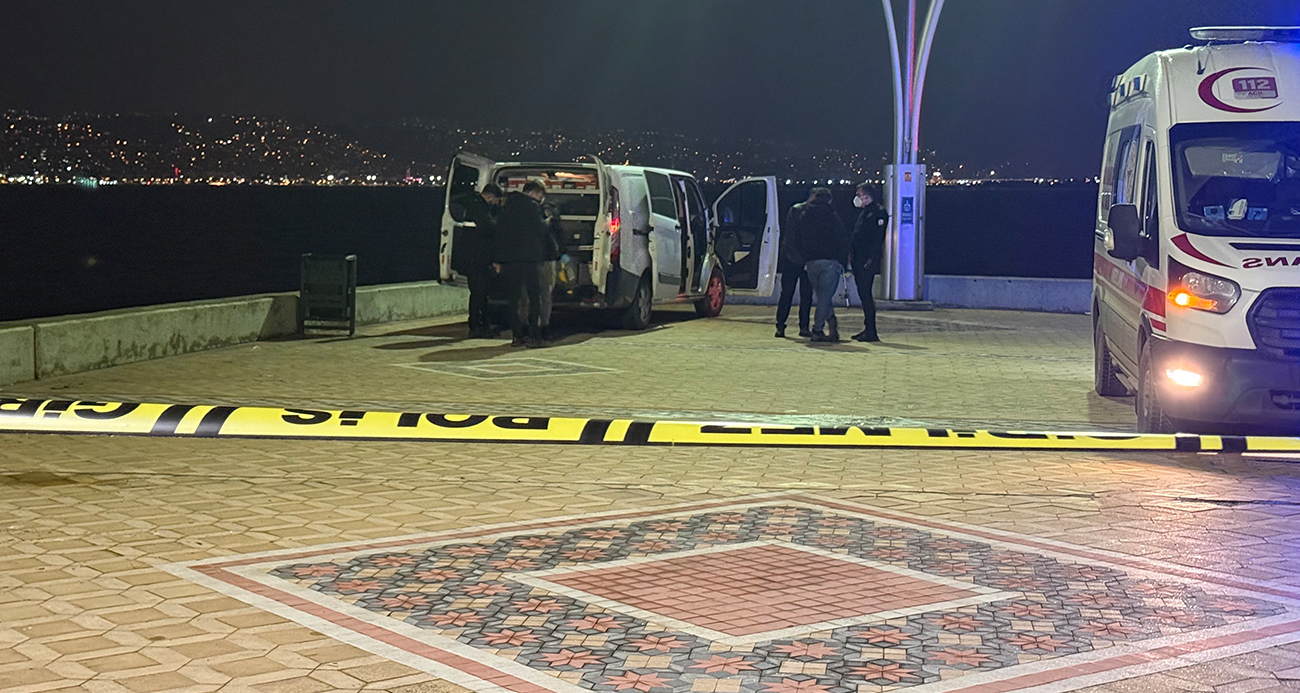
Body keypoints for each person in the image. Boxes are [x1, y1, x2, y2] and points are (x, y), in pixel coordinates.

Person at [493, 180, 552, 347]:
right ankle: (535, 335)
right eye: (539, 194)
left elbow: (499, 233)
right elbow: (541, 229)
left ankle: (517, 335)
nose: (540, 197)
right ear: (533, 193)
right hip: (530, 259)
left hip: (511, 260)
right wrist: (548, 220)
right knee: (534, 297)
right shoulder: (533, 207)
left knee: (514, 298)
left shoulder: (507, 207)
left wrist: (499, 259)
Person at [795, 187, 850, 343]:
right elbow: (842, 239)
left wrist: (804, 257)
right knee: (824, 298)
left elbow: (798, 239)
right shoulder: (832, 217)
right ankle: (817, 330)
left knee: (822, 297)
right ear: (829, 200)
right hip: (830, 262)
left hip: (811, 262)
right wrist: (843, 261)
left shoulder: (804, 216)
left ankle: (832, 327)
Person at [450, 183, 503, 338]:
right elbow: (489, 227)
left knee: (480, 293)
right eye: (495, 200)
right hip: (476, 258)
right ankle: (476, 326)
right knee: (479, 293)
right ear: (490, 197)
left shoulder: (473, 204)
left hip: (475, 258)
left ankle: (482, 325)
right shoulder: (478, 207)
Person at [850, 183, 889, 342]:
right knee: (863, 293)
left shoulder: (878, 212)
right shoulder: (865, 212)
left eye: (860, 195)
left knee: (866, 294)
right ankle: (867, 328)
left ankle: (871, 331)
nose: (858, 198)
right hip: (859, 258)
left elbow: (877, 239)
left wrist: (871, 260)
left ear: (867, 196)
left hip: (867, 260)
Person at [775, 199, 813, 338]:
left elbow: (789, 237)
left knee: (787, 293)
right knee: (806, 295)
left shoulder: (795, 210)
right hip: (805, 259)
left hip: (792, 259)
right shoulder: (812, 213)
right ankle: (804, 326)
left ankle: (780, 325)